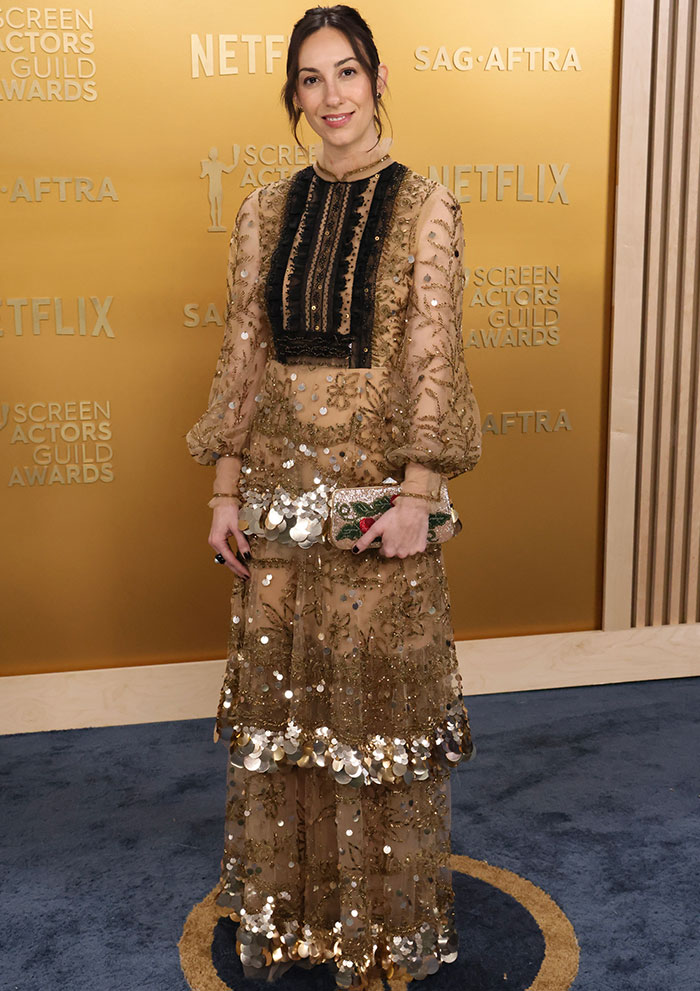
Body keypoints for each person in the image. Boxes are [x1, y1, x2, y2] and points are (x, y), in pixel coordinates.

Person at [185, 5, 482, 987]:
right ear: (294, 97)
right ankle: (294, 910)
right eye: (309, 80)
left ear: (379, 78)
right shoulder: (263, 211)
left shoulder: (427, 207)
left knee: (369, 718)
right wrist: (224, 487)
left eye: (345, 73)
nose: (330, 98)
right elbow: (243, 353)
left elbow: (431, 356)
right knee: (287, 714)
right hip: (275, 498)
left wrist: (417, 490)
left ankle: (373, 925)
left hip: (371, 504)